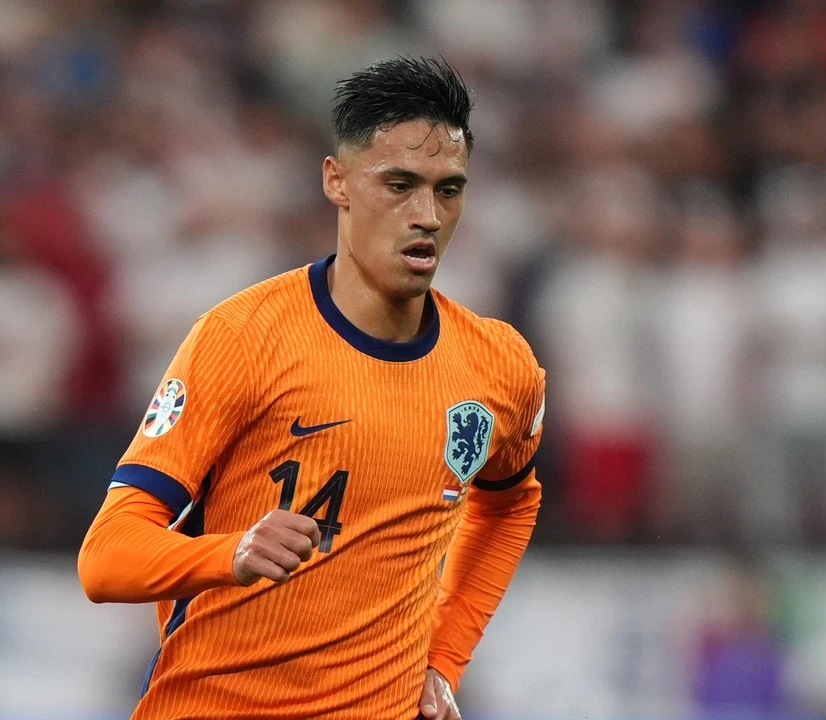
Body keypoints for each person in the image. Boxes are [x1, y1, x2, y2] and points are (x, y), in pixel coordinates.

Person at [79, 56, 547, 720]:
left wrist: (444, 659)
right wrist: (231, 552)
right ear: (338, 181)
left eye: (448, 190)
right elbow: (105, 557)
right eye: (399, 185)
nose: (427, 215)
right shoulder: (243, 337)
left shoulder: (500, 365)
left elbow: (509, 506)